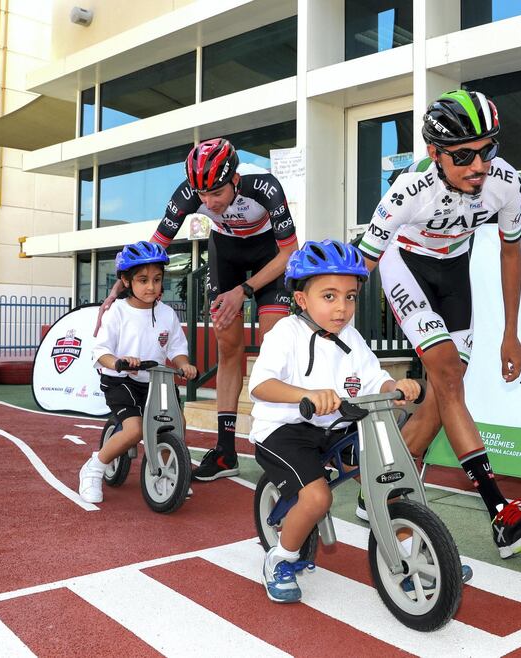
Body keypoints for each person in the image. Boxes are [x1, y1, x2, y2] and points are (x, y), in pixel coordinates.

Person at [358, 89, 521, 559]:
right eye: (464, 155)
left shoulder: (506, 184)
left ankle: (381, 487)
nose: (479, 166)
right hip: (405, 265)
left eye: (488, 150)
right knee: (446, 377)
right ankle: (501, 512)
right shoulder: (408, 191)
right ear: (434, 154)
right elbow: (363, 263)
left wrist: (511, 332)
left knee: (444, 397)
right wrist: (325, 333)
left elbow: (511, 251)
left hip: (454, 273)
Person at [97, 138, 299, 482]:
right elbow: (155, 246)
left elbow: (289, 254)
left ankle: (287, 441)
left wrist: (244, 291)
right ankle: (225, 451)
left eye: (216, 193)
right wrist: (119, 287)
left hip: (271, 255)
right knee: (228, 344)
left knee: (275, 341)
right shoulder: (188, 194)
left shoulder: (264, 187)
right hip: (227, 252)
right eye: (201, 194)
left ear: (235, 179)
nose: (208, 202)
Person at [248, 239, 422, 603]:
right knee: (316, 498)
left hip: (337, 425)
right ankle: (280, 558)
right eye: (329, 296)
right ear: (301, 300)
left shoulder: (352, 338)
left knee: (389, 478)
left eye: (350, 297)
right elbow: (262, 384)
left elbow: (375, 381)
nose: (342, 308)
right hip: (284, 430)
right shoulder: (285, 333)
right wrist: (305, 395)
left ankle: (410, 557)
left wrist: (397, 385)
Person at [79, 241, 198, 504]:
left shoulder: (167, 314)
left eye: (157, 279)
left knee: (177, 425)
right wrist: (119, 361)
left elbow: (177, 347)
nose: (151, 287)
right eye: (143, 280)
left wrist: (183, 364)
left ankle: (169, 474)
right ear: (126, 280)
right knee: (134, 430)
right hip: (121, 381)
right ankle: (94, 467)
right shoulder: (118, 312)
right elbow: (101, 352)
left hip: (157, 381)